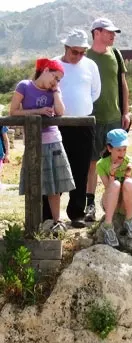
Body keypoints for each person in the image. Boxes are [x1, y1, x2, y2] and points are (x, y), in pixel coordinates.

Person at [10, 58, 74, 235]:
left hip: (53, 139)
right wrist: (38, 112)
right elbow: (13, 111)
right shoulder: (24, 86)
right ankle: (33, 223)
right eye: (55, 77)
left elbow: (60, 111)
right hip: (33, 142)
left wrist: (56, 92)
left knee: (54, 185)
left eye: (59, 80)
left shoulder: (53, 91)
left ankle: (57, 221)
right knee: (34, 183)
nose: (56, 82)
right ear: (45, 70)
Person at [86, 17, 130, 222]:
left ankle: (118, 204)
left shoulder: (116, 54)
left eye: (114, 32)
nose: (113, 35)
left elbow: (123, 85)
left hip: (114, 117)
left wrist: (126, 112)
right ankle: (89, 206)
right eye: (109, 32)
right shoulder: (85, 56)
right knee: (93, 163)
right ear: (97, 32)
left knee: (117, 160)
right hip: (92, 119)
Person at [57, 28, 100, 228]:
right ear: (66, 48)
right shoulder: (53, 64)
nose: (79, 56)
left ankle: (76, 212)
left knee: (81, 168)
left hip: (83, 122)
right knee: (55, 168)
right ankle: (50, 214)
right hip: (57, 123)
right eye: (75, 52)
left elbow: (95, 93)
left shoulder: (90, 65)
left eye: (83, 52)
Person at [96, 129, 132, 248]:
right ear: (109, 148)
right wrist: (112, 174)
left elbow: (131, 188)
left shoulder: (131, 162)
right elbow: (108, 188)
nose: (122, 153)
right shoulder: (101, 164)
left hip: (128, 204)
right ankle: (108, 225)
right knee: (115, 184)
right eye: (119, 150)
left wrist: (128, 174)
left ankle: (129, 219)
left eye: (124, 149)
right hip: (111, 204)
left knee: (129, 183)